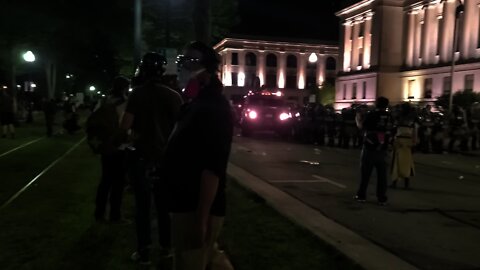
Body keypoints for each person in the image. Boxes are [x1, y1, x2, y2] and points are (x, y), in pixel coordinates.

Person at [163, 41, 234, 270]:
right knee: (206, 257)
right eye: (184, 61)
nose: (185, 67)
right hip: (183, 200)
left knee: (192, 260)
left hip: (195, 207)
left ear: (209, 68)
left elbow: (212, 167)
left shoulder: (215, 107)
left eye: (192, 61)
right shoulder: (194, 104)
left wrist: (201, 219)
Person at [121, 52, 183, 265]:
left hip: (142, 157)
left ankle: (144, 250)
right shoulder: (175, 96)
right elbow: (180, 128)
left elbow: (125, 126)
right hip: (166, 160)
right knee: (164, 207)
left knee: (143, 207)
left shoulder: (137, 94)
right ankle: (166, 248)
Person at [94, 76, 130, 223]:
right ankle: (115, 215)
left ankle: (99, 213)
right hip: (120, 146)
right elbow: (127, 125)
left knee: (105, 180)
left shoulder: (103, 101)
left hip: (106, 146)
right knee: (118, 183)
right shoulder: (125, 103)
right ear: (125, 88)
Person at [354, 96, 393, 205]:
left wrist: (357, 118)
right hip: (383, 148)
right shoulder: (389, 116)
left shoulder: (372, 115)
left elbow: (362, 127)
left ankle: (361, 195)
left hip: (370, 147)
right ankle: (381, 198)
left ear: (377, 104)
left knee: (365, 174)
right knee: (382, 176)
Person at [390, 102, 416, 189]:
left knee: (396, 163)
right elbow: (415, 130)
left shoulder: (398, 117)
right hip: (408, 142)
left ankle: (395, 183)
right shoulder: (412, 118)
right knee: (407, 163)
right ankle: (406, 184)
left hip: (399, 141)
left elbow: (394, 129)